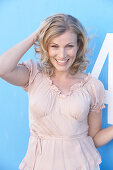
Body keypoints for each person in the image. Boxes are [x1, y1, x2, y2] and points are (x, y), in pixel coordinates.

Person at [0, 13, 113, 170]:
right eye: (54, 46)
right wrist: (36, 35)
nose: (62, 55)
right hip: (38, 164)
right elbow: (2, 68)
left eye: (69, 46)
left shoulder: (92, 86)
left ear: (78, 46)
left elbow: (94, 138)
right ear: (46, 46)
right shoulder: (34, 74)